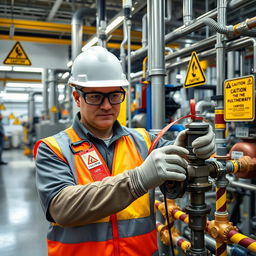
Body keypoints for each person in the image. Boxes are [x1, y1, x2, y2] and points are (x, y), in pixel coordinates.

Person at [35, 46, 215, 256]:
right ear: (77, 98)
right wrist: (136, 181)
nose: (106, 106)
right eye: (95, 97)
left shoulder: (143, 140)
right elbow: (62, 209)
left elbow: (180, 163)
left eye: (114, 95)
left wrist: (192, 147)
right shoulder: (54, 149)